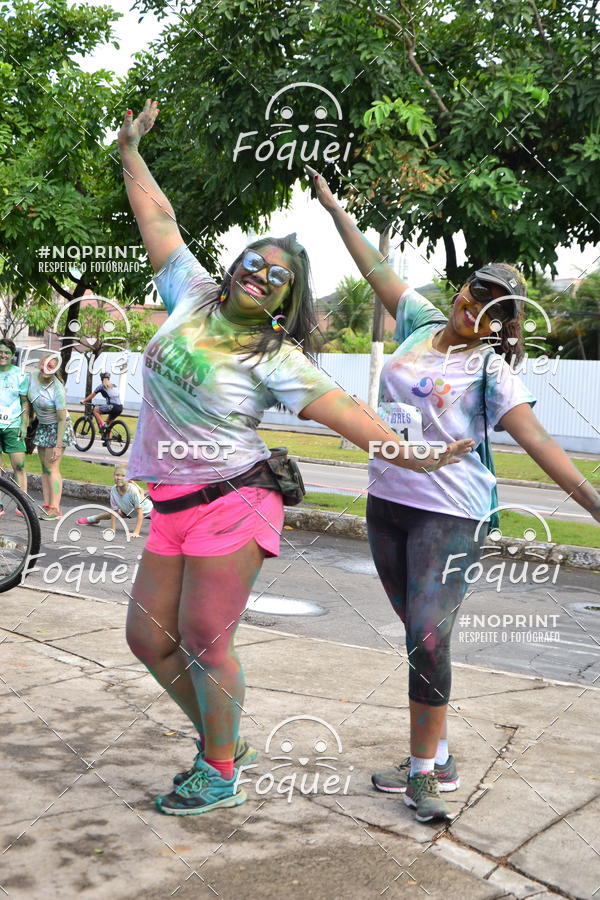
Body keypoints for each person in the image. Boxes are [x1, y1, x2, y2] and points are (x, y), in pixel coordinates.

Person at [118, 100, 474, 818]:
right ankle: (224, 741)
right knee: (146, 639)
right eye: (256, 259)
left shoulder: (275, 357)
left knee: (200, 643)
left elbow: (349, 414)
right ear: (234, 265)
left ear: (285, 299)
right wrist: (129, 150)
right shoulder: (187, 294)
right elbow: (158, 218)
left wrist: (418, 456)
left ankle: (219, 769)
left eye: (278, 275)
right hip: (170, 505)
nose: (262, 272)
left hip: (235, 502)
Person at [308, 164, 600, 823]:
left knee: (427, 637)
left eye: (492, 308)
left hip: (453, 514)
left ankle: (422, 777)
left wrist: (592, 502)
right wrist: (332, 208)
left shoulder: (491, 370)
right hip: (388, 504)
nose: (475, 308)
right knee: (419, 637)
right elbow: (372, 265)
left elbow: (539, 443)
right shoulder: (418, 321)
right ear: (463, 287)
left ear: (502, 325)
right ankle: (437, 754)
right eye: (475, 293)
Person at [26, 352, 76, 520]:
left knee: (53, 467)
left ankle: (55, 508)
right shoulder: (32, 376)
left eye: (50, 366)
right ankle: (48, 506)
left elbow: (62, 419)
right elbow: (26, 397)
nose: (46, 369)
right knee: (45, 468)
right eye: (44, 364)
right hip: (44, 425)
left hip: (59, 427)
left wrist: (58, 444)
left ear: (55, 370)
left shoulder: (57, 388)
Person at [77, 464, 152, 538]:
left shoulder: (133, 491)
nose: (119, 478)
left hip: (149, 511)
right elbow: (114, 511)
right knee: (112, 513)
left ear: (129, 478)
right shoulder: (113, 490)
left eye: (123, 476)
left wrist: (136, 532)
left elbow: (140, 513)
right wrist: (113, 529)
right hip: (130, 510)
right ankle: (93, 519)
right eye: (117, 475)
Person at [0, 338, 29, 516]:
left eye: (6, 352)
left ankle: (22, 505)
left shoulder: (19, 375)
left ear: (12, 355)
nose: (2, 355)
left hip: (13, 426)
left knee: (19, 466)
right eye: (0, 352)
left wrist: (24, 424)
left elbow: (25, 402)